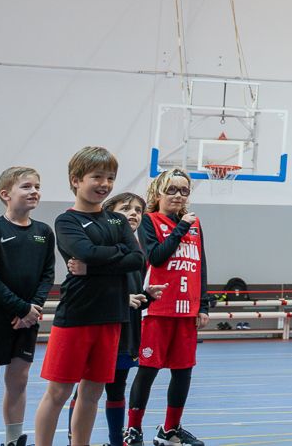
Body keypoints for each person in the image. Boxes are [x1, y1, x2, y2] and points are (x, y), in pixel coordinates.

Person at [33, 148, 145, 446]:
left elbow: (137, 259)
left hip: (112, 316)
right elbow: (83, 252)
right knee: (58, 393)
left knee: (92, 393)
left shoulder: (117, 222)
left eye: (110, 178)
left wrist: (94, 264)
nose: (104, 184)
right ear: (76, 180)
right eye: (97, 177)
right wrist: (116, 255)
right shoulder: (66, 221)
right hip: (77, 317)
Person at [0, 167, 54, 446]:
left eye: (37, 186)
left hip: (29, 318)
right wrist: (20, 308)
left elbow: (47, 274)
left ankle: (14, 439)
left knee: (19, 380)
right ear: (6, 194)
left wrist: (34, 308)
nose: (34, 191)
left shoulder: (43, 232)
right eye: (26, 186)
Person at [126, 171, 206, 446]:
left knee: (183, 371)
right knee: (147, 370)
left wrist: (203, 305)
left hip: (187, 311)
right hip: (158, 310)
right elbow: (157, 258)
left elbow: (201, 265)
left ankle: (170, 429)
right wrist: (181, 227)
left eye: (184, 191)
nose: (178, 196)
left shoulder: (196, 225)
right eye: (171, 190)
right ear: (158, 193)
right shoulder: (149, 221)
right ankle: (133, 430)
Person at [96, 192, 160, 446]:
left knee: (117, 387)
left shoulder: (138, 251)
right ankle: (75, 439)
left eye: (138, 209)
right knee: (87, 388)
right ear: (109, 213)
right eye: (126, 208)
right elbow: (92, 288)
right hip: (102, 327)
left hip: (127, 330)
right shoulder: (101, 246)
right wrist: (121, 300)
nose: (133, 213)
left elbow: (133, 292)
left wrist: (147, 296)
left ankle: (115, 441)